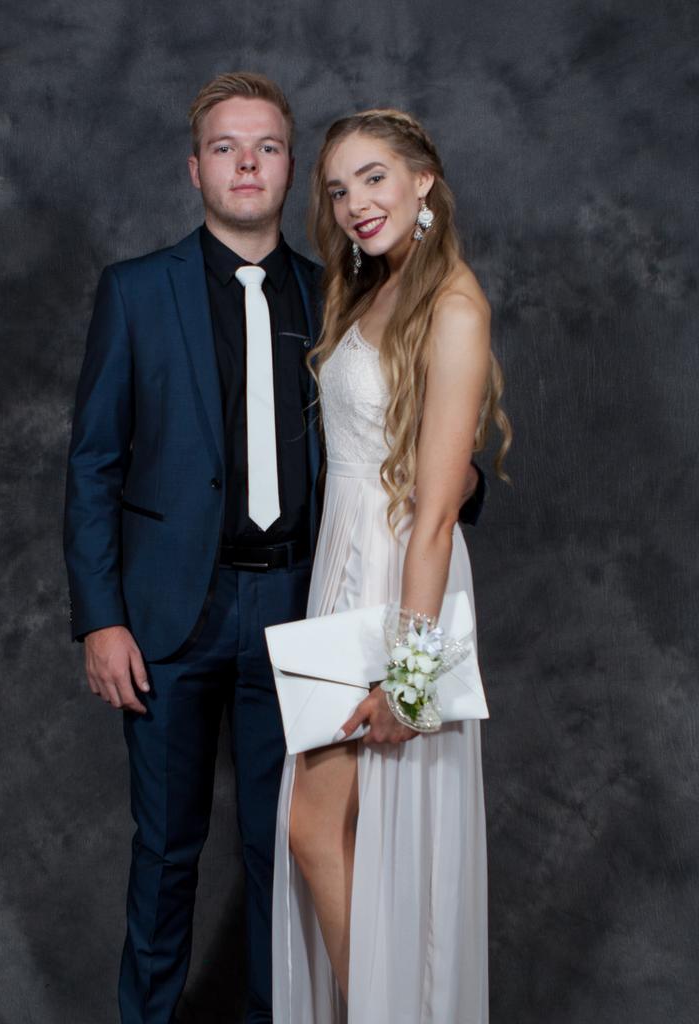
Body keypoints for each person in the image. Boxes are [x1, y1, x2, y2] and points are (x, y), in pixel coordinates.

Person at [64, 73, 483, 1022]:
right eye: (225, 147)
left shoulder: (333, 289)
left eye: (266, 147)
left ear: (289, 169)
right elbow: (92, 463)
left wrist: (455, 482)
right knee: (167, 850)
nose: (247, 163)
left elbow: (394, 430)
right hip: (172, 612)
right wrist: (102, 619)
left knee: (283, 854)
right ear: (195, 168)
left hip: (304, 605)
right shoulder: (135, 292)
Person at [272, 109, 511, 1024]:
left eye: (373, 178)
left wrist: (413, 680)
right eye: (337, 189)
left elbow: (440, 508)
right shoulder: (367, 288)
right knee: (320, 831)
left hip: (402, 581)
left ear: (423, 182)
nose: (354, 203)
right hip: (336, 577)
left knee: (357, 833)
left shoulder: (454, 301)